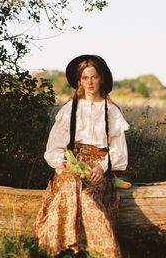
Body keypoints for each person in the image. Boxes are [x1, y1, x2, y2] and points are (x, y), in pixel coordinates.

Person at [34, 55, 129, 258]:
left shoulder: (111, 111)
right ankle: (61, 248)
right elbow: (54, 146)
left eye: (93, 77)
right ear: (79, 81)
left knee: (86, 193)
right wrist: (60, 164)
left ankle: (103, 250)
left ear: (101, 78)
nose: (90, 82)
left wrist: (101, 168)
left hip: (97, 169)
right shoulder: (70, 109)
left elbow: (118, 151)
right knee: (70, 183)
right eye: (85, 78)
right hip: (72, 165)